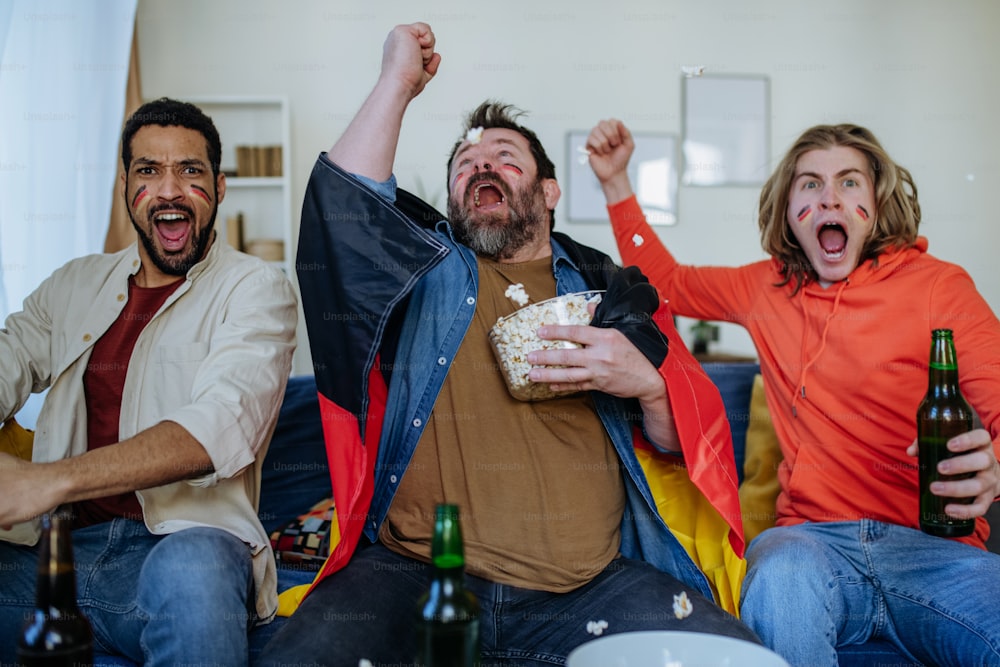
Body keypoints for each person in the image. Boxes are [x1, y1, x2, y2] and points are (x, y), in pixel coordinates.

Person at [259, 22, 760, 666]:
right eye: (465, 164)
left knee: (736, 659)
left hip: (586, 588)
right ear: (452, 196)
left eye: (504, 156)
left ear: (549, 194)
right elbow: (342, 210)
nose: (481, 165)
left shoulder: (613, 293)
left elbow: (680, 442)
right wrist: (397, 81)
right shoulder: (422, 272)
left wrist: (647, 383)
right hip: (414, 573)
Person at [584, 118, 1000, 665]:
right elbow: (669, 278)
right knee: (780, 574)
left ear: (876, 202)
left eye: (850, 182)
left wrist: (992, 465)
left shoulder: (940, 286)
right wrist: (616, 183)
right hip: (810, 545)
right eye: (810, 184)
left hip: (935, 553)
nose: (830, 197)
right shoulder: (766, 287)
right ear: (788, 209)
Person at [0, 97, 298, 664]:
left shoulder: (257, 289)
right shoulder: (74, 283)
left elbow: (216, 429)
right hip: (53, 555)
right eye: (148, 171)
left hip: (178, 551)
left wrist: (48, 481)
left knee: (195, 568)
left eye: (190, 170)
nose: (168, 190)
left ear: (220, 186)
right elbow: (9, 358)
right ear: (124, 186)